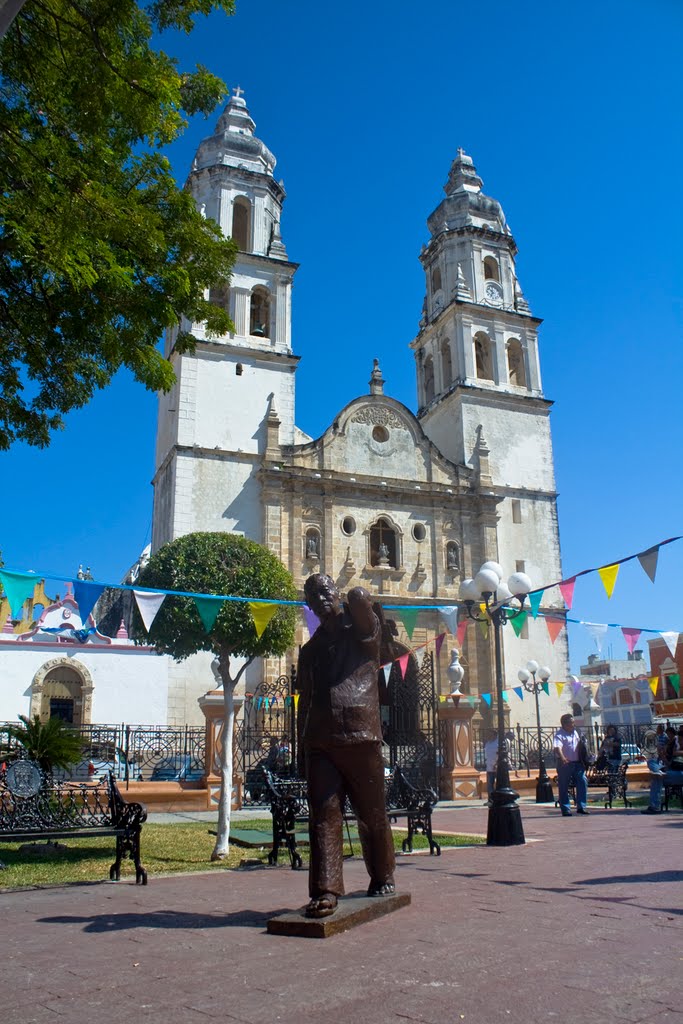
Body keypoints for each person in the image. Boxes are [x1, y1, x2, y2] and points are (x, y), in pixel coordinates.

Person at [296, 574, 396, 918]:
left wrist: (352, 594)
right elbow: (304, 701)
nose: (320, 599)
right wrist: (301, 748)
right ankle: (325, 890)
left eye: (325, 591)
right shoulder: (309, 651)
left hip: (360, 736)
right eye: (312, 596)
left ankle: (382, 873)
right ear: (307, 606)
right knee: (324, 815)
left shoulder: (364, 634)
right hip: (321, 740)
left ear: (336, 594)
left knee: (371, 814)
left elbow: (361, 601)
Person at [553, 713, 589, 816]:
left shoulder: (577, 732)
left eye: (574, 722)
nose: (574, 724)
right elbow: (557, 747)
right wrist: (563, 757)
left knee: (582, 781)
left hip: (578, 763)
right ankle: (565, 808)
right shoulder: (559, 735)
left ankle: (581, 806)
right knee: (563, 786)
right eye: (571, 723)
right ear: (565, 724)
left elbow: (582, 744)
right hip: (565, 764)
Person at [642, 725, 683, 814]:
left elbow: (677, 762)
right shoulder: (676, 751)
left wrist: (674, 753)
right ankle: (658, 772)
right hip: (672, 772)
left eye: (680, 740)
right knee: (651, 762)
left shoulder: (678, 752)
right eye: (678, 741)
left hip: (680, 774)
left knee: (656, 778)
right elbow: (670, 764)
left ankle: (654, 806)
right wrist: (664, 758)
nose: (678, 743)